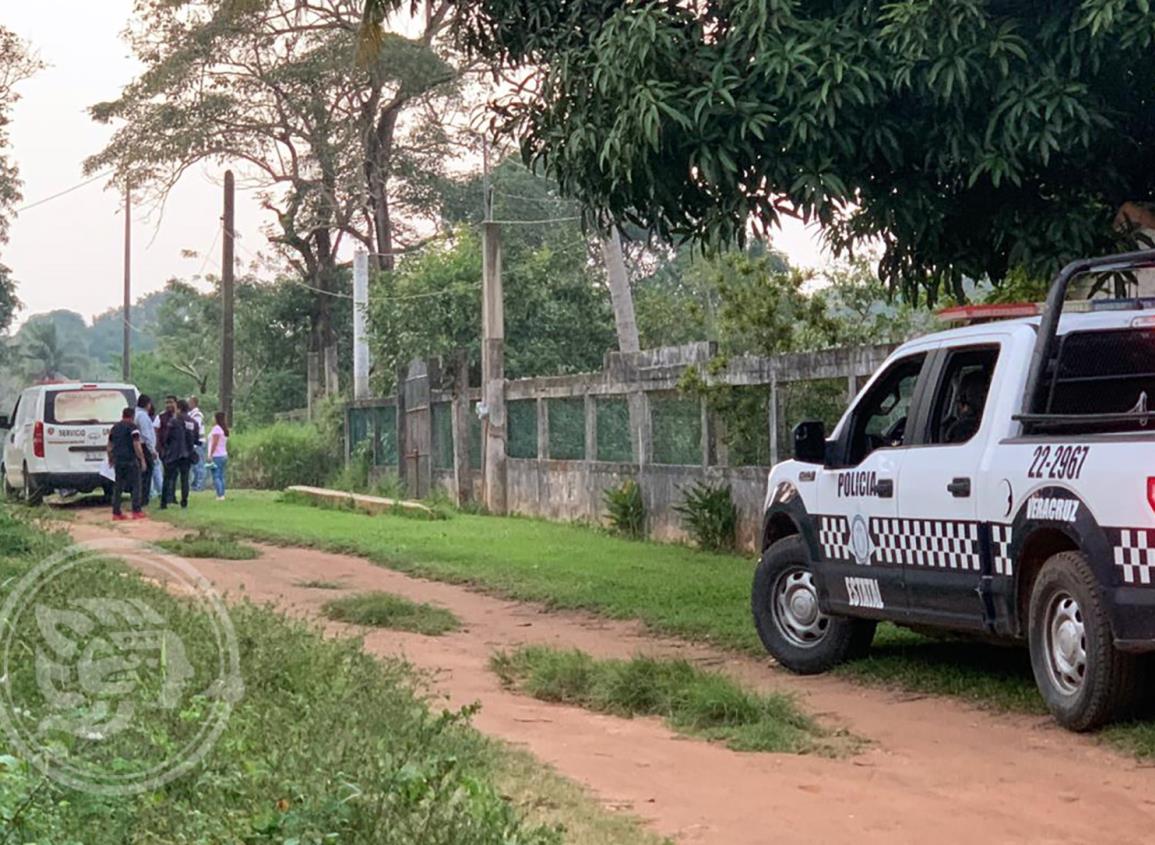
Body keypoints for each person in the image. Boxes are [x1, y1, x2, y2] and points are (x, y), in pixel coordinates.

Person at [107, 406, 146, 521]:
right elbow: (136, 444)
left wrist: (110, 458)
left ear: (123, 415)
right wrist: (142, 459)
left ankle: (116, 513)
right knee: (136, 485)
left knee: (118, 486)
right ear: (132, 416)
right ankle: (136, 511)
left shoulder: (114, 428)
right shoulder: (133, 427)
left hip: (118, 460)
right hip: (130, 460)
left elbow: (109, 446)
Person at [160, 399, 197, 509]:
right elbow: (192, 438)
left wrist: (166, 447)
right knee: (184, 479)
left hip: (173, 453)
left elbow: (167, 437)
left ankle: (164, 503)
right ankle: (184, 502)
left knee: (167, 478)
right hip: (186, 454)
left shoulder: (173, 421)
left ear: (179, 408)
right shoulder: (191, 421)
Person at [133, 394, 158, 506]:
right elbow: (146, 434)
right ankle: (144, 499)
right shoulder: (142, 416)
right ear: (148, 404)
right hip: (144, 447)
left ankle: (141, 498)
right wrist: (152, 449)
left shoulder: (136, 414)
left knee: (143, 474)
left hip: (141, 446)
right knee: (146, 474)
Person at [208, 411, 229, 500]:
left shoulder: (216, 429)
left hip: (217, 455)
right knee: (221, 475)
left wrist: (210, 455)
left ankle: (219, 495)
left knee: (216, 475)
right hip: (223, 454)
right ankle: (222, 493)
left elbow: (214, 443)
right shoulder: (224, 429)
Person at [188, 395, 207, 492]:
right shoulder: (190, 414)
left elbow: (195, 427)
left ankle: (200, 486)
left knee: (199, 465)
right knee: (194, 466)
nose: (188, 403)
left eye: (190, 401)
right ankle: (195, 485)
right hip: (193, 443)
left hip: (198, 443)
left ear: (194, 403)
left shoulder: (197, 414)